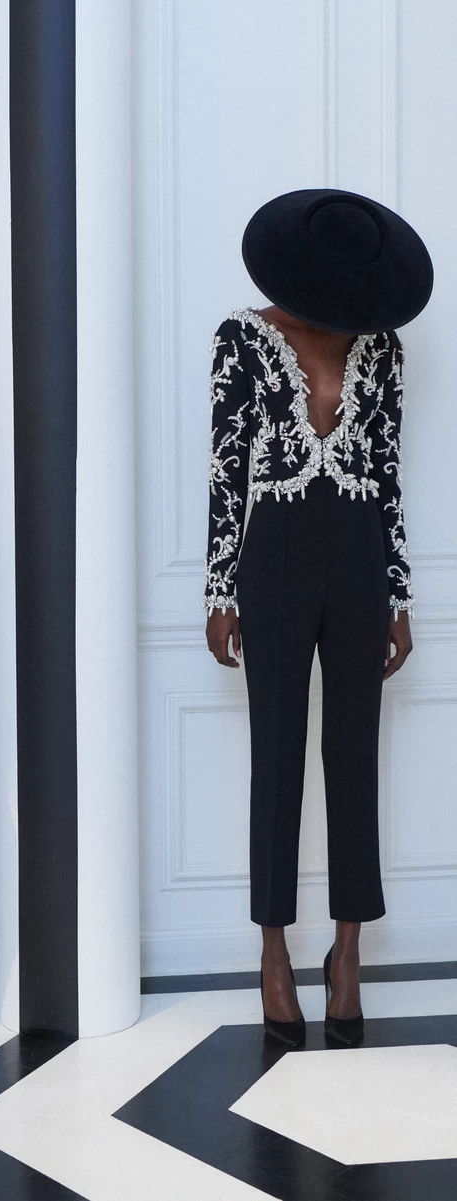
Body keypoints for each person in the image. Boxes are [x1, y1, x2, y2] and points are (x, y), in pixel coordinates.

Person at [204, 188, 433, 1046]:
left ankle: (348, 950)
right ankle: (272, 949)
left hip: (360, 555)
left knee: (354, 751)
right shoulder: (241, 337)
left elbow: (390, 471)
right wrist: (219, 588)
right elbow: (226, 468)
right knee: (277, 753)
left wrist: (399, 592)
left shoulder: (383, 346)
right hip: (273, 556)